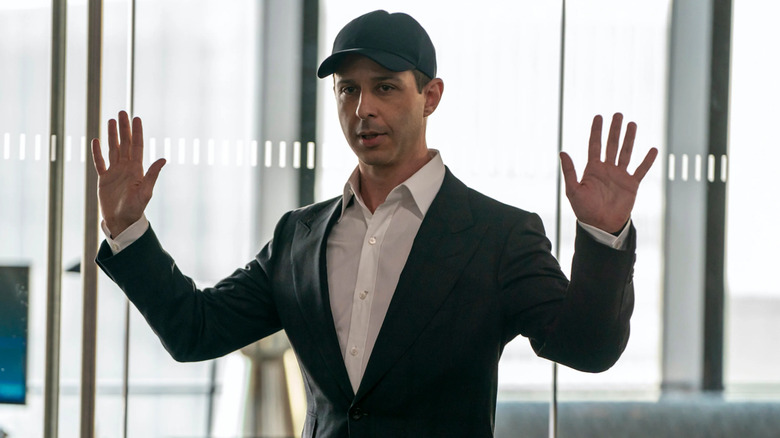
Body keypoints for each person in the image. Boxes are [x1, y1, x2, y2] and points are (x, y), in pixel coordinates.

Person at [92, 9, 657, 438]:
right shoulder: (299, 237)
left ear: (430, 95)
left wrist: (603, 240)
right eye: (348, 90)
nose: (364, 107)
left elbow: (588, 348)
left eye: (385, 86)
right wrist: (128, 230)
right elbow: (197, 331)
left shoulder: (499, 236)